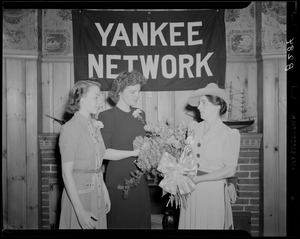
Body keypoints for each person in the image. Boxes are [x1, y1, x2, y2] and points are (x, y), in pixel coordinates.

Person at [59, 80, 140, 229]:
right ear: (82, 98)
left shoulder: (94, 126)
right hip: (79, 196)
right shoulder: (70, 129)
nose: (100, 103)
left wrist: (104, 192)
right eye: (96, 97)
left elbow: (97, 166)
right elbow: (66, 174)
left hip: (97, 192)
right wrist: (80, 211)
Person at [179, 82, 241, 230]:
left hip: (213, 192)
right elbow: (186, 158)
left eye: (203, 103)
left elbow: (229, 170)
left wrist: (199, 179)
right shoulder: (193, 128)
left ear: (218, 105)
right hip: (191, 190)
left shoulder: (228, 134)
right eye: (199, 103)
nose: (198, 107)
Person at [98, 70, 151, 229]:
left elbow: (144, 143)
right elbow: (104, 152)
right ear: (119, 91)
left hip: (139, 179)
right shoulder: (106, 116)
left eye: (138, 91)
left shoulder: (140, 114)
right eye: (132, 91)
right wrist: (134, 153)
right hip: (118, 181)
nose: (137, 95)